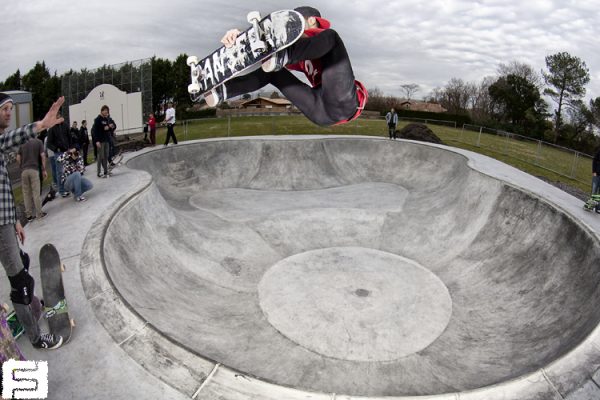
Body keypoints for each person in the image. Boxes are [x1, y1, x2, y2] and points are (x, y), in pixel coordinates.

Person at [205, 6, 368, 127]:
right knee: (274, 72)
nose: (292, 33)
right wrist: (241, 38)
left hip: (344, 101)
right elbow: (261, 53)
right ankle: (222, 92)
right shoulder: (301, 55)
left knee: (331, 36)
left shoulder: (321, 36)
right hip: (320, 112)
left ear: (311, 21)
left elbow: (317, 40)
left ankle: (283, 55)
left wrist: (283, 51)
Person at [0, 92, 65, 350]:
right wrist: (40, 125)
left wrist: (16, 220)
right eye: (5, 109)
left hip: (5, 221)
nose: (8, 113)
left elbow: (3, 186)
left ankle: (28, 308)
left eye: (10, 109)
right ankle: (37, 338)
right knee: (21, 283)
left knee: (23, 266)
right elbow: (12, 138)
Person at [17, 136, 47, 221]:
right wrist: (44, 169)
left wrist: (21, 167)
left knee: (26, 194)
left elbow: (18, 158)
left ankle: (29, 215)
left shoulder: (22, 143)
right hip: (34, 170)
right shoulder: (38, 142)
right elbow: (43, 156)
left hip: (24, 171)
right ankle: (39, 213)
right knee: (36, 193)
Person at [46, 113, 74, 197]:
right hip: (58, 153)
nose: (58, 117)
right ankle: (61, 190)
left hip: (67, 151)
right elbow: (49, 143)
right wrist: (55, 149)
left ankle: (67, 188)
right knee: (60, 172)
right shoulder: (52, 128)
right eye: (56, 116)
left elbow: (69, 137)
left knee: (67, 170)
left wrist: (70, 147)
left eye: (59, 115)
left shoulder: (65, 126)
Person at [93, 105, 116, 178]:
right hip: (100, 141)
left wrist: (111, 127)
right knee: (100, 157)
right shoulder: (97, 119)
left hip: (106, 140)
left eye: (107, 112)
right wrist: (97, 141)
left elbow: (107, 129)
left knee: (106, 156)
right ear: (102, 111)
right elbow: (95, 131)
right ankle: (99, 172)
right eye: (105, 111)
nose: (106, 113)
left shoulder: (106, 119)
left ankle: (106, 171)